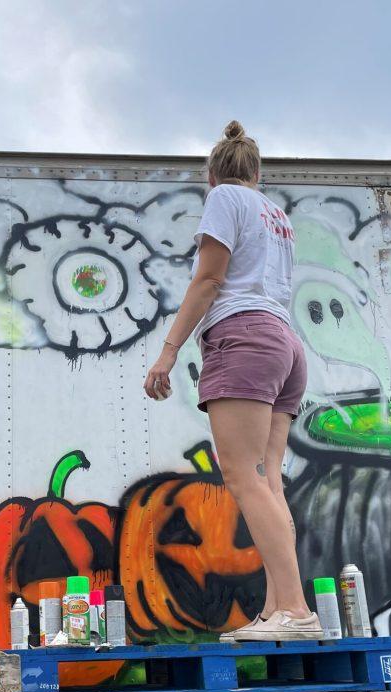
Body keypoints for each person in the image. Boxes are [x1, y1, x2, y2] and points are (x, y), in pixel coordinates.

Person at [143, 120, 319, 642]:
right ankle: (276, 611)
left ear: (212, 175)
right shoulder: (276, 214)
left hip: (244, 339)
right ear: (257, 173)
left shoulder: (225, 199)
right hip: (284, 344)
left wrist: (168, 352)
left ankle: (295, 611)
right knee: (269, 482)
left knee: (242, 477)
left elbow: (210, 278)